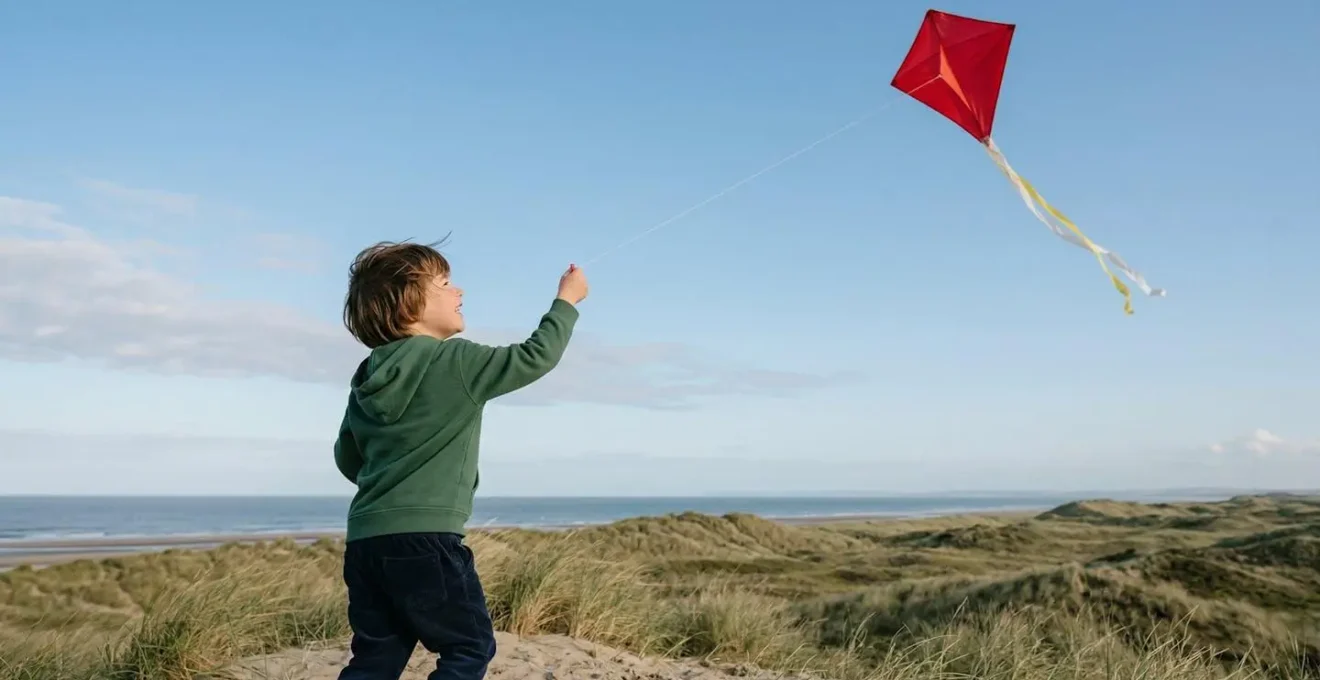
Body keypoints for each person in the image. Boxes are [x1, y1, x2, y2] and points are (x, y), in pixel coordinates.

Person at [332, 240, 587, 680]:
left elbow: (348, 457)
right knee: (469, 647)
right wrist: (566, 300)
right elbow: (534, 356)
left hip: (366, 541)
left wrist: (393, 479)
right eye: (446, 283)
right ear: (409, 300)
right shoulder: (456, 359)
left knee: (376, 657)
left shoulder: (367, 374)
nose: (460, 291)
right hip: (427, 540)